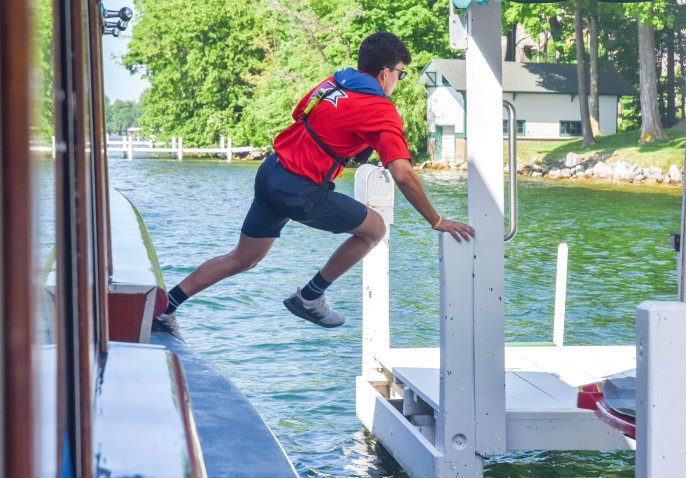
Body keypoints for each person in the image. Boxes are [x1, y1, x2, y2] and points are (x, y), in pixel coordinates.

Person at [154, 32, 475, 339]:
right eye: (399, 74)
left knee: (244, 257)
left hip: (271, 171)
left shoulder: (333, 83)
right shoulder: (381, 110)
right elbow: (403, 173)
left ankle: (166, 307)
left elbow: (302, 115)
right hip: (299, 188)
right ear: (384, 73)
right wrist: (436, 219)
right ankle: (310, 296)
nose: (397, 81)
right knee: (375, 229)